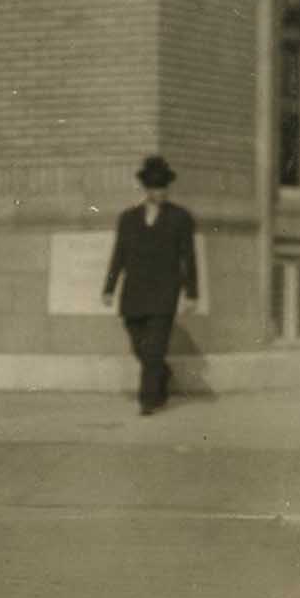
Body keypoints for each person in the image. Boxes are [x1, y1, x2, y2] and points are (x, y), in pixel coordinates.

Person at [101, 155, 198, 416]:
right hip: (133, 293)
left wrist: (191, 293)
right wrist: (109, 289)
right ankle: (162, 374)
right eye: (156, 187)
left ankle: (148, 400)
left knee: (154, 348)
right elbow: (118, 254)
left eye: (164, 187)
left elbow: (188, 258)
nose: (161, 192)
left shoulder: (181, 218)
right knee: (139, 346)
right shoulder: (128, 219)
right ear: (146, 189)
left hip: (164, 292)